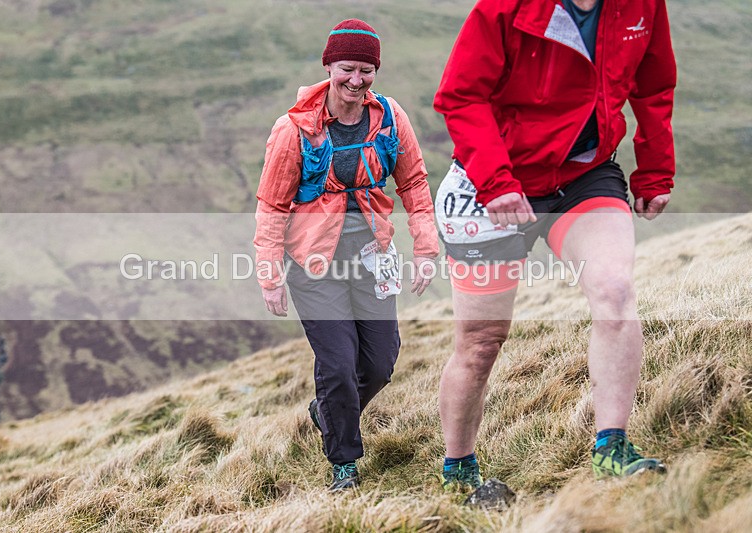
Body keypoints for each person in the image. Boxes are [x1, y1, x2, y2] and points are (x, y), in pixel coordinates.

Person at [433, 0, 676, 489]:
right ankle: (458, 471)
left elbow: (654, 87)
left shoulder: (643, 5)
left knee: (614, 290)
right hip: (494, 185)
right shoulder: (503, 9)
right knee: (481, 341)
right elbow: (460, 96)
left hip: (585, 175)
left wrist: (655, 168)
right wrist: (496, 180)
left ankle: (612, 448)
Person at [254, 19, 439, 491]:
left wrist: (425, 246)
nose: (356, 80)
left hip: (373, 253)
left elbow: (414, 182)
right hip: (313, 263)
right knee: (337, 364)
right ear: (329, 66)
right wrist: (269, 275)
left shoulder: (390, 117)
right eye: (347, 69)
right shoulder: (293, 128)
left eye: (366, 70)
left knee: (380, 362)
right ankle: (344, 464)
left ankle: (327, 412)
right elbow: (273, 204)